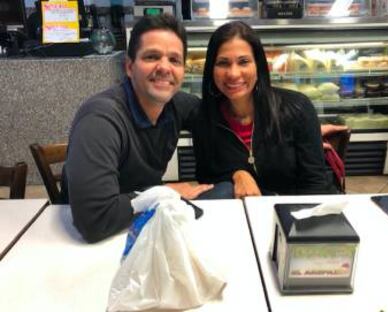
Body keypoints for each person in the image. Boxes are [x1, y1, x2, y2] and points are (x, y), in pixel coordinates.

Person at [61, 14, 215, 243]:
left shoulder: (177, 105)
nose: (165, 67)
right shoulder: (100, 120)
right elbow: (94, 220)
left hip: (140, 226)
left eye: (175, 60)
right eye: (152, 56)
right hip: (89, 243)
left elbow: (220, 119)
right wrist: (164, 194)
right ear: (130, 67)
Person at [192, 21, 334, 198]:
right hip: (238, 214)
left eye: (243, 62)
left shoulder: (297, 108)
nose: (233, 73)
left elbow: (315, 183)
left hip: (292, 213)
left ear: (258, 65)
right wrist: (237, 174)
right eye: (223, 63)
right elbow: (206, 177)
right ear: (211, 69)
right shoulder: (204, 118)